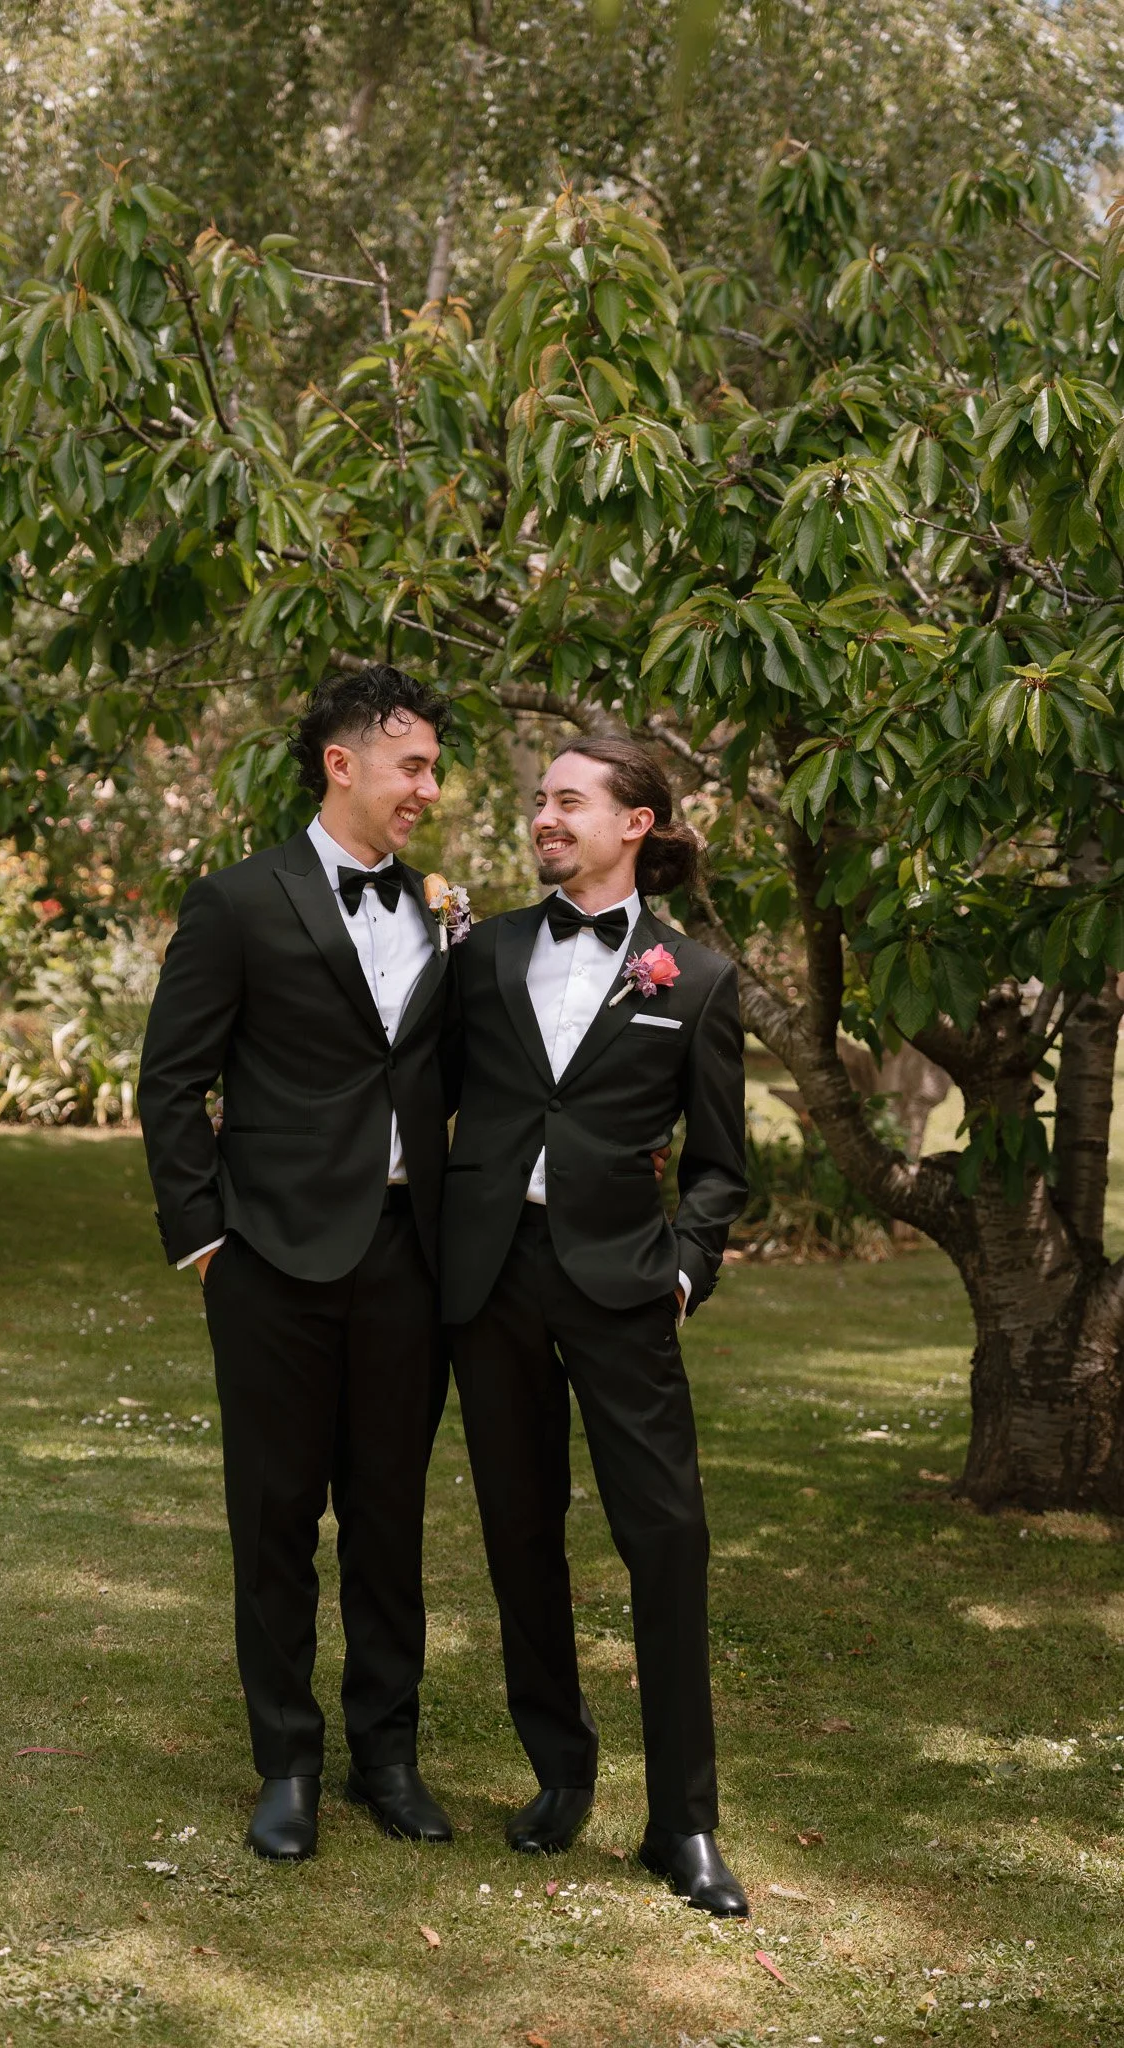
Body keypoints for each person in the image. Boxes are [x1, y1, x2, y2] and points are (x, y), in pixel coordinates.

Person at [138, 666, 455, 1863]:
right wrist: (208, 1238)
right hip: (268, 1255)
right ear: (343, 761)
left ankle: (389, 1754)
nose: (428, 786)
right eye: (411, 764)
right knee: (274, 1515)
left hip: (407, 1256)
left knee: (389, 1515)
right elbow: (171, 1081)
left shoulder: (440, 910)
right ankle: (288, 1760)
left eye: (432, 767)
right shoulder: (236, 900)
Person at [441, 734, 751, 1915]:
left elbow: (724, 1164)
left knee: (666, 1538)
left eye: (568, 801)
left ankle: (683, 1821)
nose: (543, 817)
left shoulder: (699, 977)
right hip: (493, 1278)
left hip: (624, 1284)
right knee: (520, 1531)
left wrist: (683, 1269)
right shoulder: (488, 954)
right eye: (538, 801)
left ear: (637, 821)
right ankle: (559, 1776)